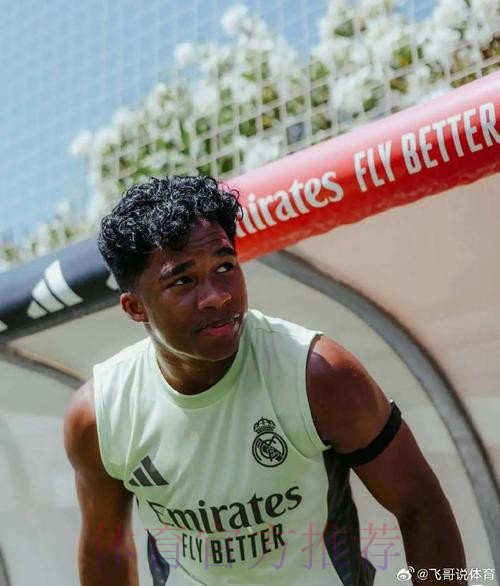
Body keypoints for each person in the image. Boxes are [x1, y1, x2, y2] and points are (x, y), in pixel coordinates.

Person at [64, 175, 466, 586]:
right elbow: (105, 550)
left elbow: (420, 505)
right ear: (135, 308)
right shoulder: (100, 415)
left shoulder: (318, 375)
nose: (217, 296)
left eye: (225, 267)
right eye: (182, 280)